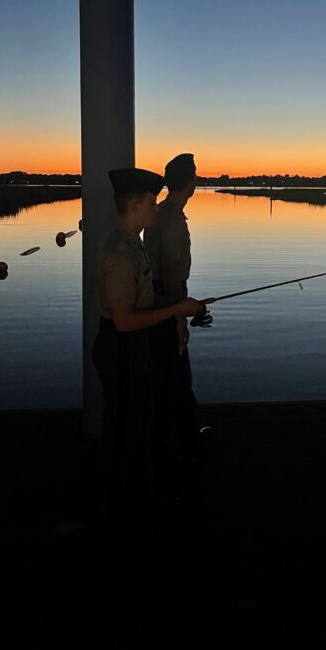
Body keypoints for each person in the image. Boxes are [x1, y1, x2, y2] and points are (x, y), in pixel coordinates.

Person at [91, 167, 203, 534]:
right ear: (135, 204)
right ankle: (123, 512)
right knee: (125, 428)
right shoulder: (121, 253)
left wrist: (177, 309)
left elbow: (140, 303)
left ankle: (132, 499)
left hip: (129, 345)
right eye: (151, 203)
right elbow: (123, 321)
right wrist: (175, 310)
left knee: (135, 423)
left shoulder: (131, 240)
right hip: (121, 347)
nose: (156, 210)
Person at [144, 153, 203, 488]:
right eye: (195, 176)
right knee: (177, 378)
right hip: (169, 300)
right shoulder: (172, 222)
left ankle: (172, 442)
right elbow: (169, 273)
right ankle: (182, 448)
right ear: (190, 182)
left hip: (156, 300)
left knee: (165, 378)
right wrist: (180, 317)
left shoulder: (159, 213)